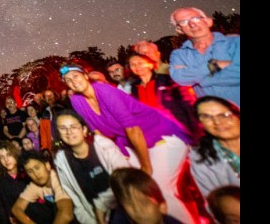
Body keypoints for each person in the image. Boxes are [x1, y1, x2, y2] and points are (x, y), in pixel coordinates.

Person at [60, 63, 197, 223]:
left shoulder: (104, 90)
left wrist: (146, 167)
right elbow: (98, 134)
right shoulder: (77, 101)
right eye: (68, 80)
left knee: (158, 187)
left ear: (85, 75)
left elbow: (133, 129)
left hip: (160, 135)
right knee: (132, 187)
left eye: (75, 76)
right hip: (128, 143)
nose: (73, 81)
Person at [52, 109, 132, 224]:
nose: (69, 132)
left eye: (74, 126)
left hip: (126, 211)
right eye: (63, 128)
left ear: (84, 129)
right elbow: (76, 201)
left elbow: (125, 179)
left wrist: (101, 206)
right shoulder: (61, 161)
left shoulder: (103, 146)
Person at [168, 7, 240, 107]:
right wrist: (215, 65)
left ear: (208, 22)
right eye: (183, 22)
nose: (192, 24)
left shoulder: (236, 43)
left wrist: (198, 80)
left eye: (196, 18)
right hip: (212, 118)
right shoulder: (179, 55)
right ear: (179, 30)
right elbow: (180, 78)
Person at [128, 53, 201, 142]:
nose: (137, 66)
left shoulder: (167, 80)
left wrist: (194, 129)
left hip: (175, 129)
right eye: (133, 64)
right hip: (151, 134)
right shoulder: (134, 88)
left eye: (140, 63)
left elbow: (185, 104)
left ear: (150, 64)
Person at [189, 97, 240, 200]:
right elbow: (214, 202)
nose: (217, 122)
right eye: (206, 117)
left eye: (224, 115)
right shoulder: (201, 158)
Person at [12, 150, 74, 224]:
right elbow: (16, 209)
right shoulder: (34, 185)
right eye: (30, 171)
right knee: (29, 208)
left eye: (37, 168)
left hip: (79, 217)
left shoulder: (58, 178)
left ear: (47, 166)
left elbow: (66, 215)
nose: (36, 174)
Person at [110, 167, 186, 224]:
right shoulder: (121, 218)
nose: (137, 209)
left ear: (163, 206)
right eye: (130, 205)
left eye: (143, 203)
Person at [0, 139, 30, 224]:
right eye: (1, 157)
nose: (6, 160)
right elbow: (0, 205)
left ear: (15, 154)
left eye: (8, 155)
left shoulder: (27, 172)